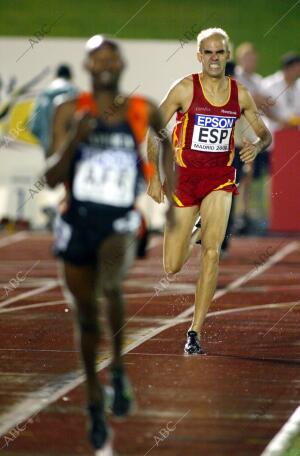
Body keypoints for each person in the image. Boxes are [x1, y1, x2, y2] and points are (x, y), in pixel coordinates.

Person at [45, 35, 174, 452]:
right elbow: (49, 176)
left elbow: (166, 142)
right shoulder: (69, 111)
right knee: (85, 317)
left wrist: (163, 187)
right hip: (77, 220)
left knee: (110, 282)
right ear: (85, 65)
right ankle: (95, 399)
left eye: (111, 58)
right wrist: (74, 139)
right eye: (96, 57)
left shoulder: (140, 108)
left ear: (121, 66)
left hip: (119, 222)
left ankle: (117, 367)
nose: (104, 64)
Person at [147, 28, 271, 355]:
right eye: (208, 52)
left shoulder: (240, 94)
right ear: (199, 55)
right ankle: (192, 231)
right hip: (185, 182)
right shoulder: (185, 89)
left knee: (212, 252)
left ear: (227, 56)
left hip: (220, 179)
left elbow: (265, 133)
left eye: (220, 52)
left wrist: (257, 147)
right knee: (172, 266)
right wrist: (154, 177)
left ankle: (194, 331)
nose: (214, 58)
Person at [30, 64, 78, 154]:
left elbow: (34, 127)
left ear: (55, 76)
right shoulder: (76, 95)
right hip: (72, 151)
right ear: (70, 76)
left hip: (50, 150)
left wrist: (45, 141)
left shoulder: (43, 96)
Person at [261, 52, 300, 136]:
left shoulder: (298, 85)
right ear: (286, 69)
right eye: (295, 69)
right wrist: (279, 121)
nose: (297, 72)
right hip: (271, 132)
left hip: (293, 133)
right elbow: (260, 107)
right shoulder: (269, 84)